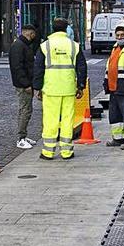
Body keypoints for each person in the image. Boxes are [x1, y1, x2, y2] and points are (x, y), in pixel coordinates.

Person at [32, 17, 87, 160]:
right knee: (68, 120)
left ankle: (48, 152)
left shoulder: (45, 46)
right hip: (68, 88)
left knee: (50, 120)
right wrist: (80, 86)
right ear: (66, 29)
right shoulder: (74, 46)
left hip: (50, 89)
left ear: (53, 28)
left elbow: (38, 68)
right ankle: (66, 151)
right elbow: (81, 67)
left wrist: (37, 88)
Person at [9, 24, 42, 149]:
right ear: (29, 33)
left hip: (26, 83)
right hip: (23, 85)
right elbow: (18, 68)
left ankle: (23, 135)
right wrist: (26, 84)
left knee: (26, 110)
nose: (34, 37)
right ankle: (21, 138)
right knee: (25, 110)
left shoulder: (23, 45)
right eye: (33, 34)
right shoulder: (19, 46)